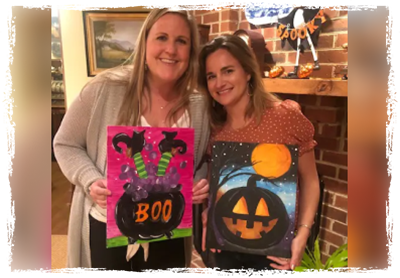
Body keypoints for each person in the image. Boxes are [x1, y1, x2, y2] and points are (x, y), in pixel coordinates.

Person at [53, 5, 210, 276]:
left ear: (191, 51)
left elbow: (203, 160)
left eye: (181, 41)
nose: (171, 50)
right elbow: (65, 144)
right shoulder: (104, 89)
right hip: (109, 227)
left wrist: (201, 180)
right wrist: (91, 180)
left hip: (167, 230)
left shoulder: (198, 105)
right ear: (145, 43)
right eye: (162, 37)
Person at [198, 35, 320, 277]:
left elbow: (311, 180)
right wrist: (207, 212)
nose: (219, 82)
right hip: (225, 244)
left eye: (228, 71)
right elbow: (216, 181)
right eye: (211, 76)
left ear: (248, 72)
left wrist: (303, 234)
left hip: (273, 250)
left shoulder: (285, 117)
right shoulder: (213, 126)